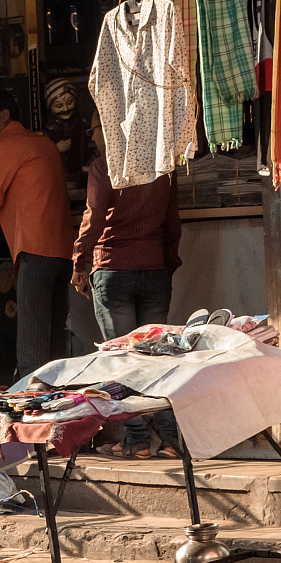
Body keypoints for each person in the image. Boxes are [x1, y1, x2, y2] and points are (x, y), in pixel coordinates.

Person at [73, 126, 184, 457]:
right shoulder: (162, 165)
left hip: (113, 268)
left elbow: (93, 219)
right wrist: (167, 263)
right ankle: (169, 439)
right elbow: (172, 223)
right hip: (154, 269)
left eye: (94, 127)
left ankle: (137, 439)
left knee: (122, 360)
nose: (92, 134)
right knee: (157, 359)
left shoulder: (105, 164)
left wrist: (80, 264)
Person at [0, 88, 73, 380]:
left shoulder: (3, 146)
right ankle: (60, 410)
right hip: (62, 252)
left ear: (4, 115)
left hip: (34, 250)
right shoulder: (45, 144)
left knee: (32, 349)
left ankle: (34, 414)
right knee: (54, 343)